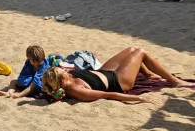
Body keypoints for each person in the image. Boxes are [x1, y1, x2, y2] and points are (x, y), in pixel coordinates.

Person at [41, 47, 182, 104]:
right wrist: (139, 97)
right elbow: (108, 95)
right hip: (119, 81)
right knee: (140, 52)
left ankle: (148, 74)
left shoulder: (66, 79)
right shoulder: (77, 89)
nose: (64, 70)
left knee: (131, 49)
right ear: (61, 79)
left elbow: (46, 87)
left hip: (104, 72)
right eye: (62, 72)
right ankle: (174, 81)